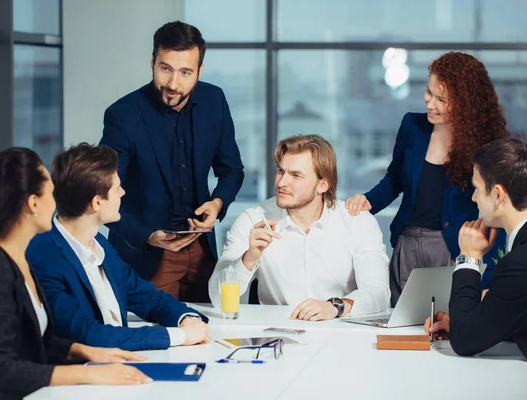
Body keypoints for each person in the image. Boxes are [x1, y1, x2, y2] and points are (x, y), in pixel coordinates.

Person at [0, 148, 153, 400]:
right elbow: (0, 369)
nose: (57, 201)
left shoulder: (19, 259)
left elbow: (34, 344)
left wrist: (85, 352)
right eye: (51, 193)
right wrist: (89, 374)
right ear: (33, 203)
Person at [345, 52, 508, 306]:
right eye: (429, 93)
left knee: (448, 325)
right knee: (402, 323)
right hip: (407, 243)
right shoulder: (413, 126)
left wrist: (493, 273)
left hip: (454, 247)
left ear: (465, 103)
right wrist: (368, 201)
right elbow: (394, 179)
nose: (430, 103)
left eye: (442, 99)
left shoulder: (484, 144)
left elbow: (497, 208)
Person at [100, 21, 244, 302]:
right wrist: (148, 235)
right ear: (153, 61)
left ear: (199, 71)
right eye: (165, 68)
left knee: (210, 332)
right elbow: (102, 194)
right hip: (147, 256)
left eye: (185, 72)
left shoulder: (215, 100)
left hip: (202, 252)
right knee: (156, 341)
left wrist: (217, 204)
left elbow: (232, 170)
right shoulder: (122, 115)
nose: (173, 84)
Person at [27, 143, 210, 351]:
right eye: (116, 188)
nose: (123, 193)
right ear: (97, 202)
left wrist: (186, 319)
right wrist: (180, 336)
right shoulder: (44, 256)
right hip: (84, 376)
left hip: (120, 367)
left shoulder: (100, 245)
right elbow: (87, 335)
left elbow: (149, 298)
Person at [424, 139, 527, 400]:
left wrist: (469, 258)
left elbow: (463, 341)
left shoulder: (522, 262)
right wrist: (477, 317)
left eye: (476, 189)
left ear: (497, 194)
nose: (473, 198)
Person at [209, 135, 390, 321]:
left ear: (323, 184)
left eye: (296, 175)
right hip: (278, 336)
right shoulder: (252, 220)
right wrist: (248, 258)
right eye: (281, 171)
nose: (281, 183)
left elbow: (378, 291)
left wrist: (335, 306)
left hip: (340, 332)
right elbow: (217, 299)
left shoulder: (357, 221)